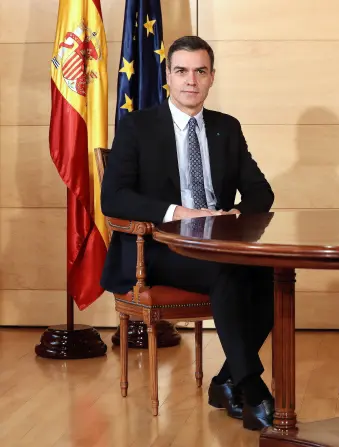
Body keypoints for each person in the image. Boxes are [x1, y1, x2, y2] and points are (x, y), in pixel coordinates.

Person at [100, 36, 275, 430]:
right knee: (228, 274)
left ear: (212, 77)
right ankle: (252, 389)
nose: (190, 80)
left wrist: (233, 215)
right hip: (158, 247)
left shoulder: (226, 127)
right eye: (181, 71)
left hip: (216, 244)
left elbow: (261, 192)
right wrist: (180, 213)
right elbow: (113, 197)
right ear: (168, 76)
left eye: (200, 71)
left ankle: (226, 380)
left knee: (270, 276)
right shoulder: (138, 127)